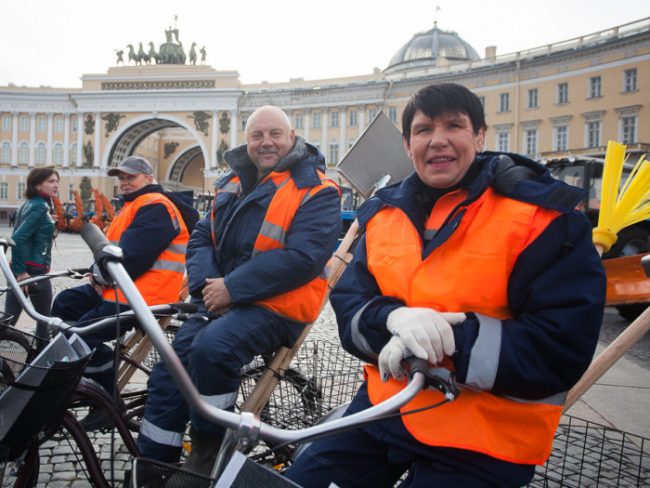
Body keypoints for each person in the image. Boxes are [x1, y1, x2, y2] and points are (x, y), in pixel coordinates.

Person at [286, 83, 607, 487]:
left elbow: (560, 348)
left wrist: (450, 339)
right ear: (407, 144)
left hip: (484, 438)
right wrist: (392, 320)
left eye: (454, 125)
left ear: (479, 136)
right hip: (385, 410)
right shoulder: (383, 215)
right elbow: (351, 306)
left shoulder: (545, 219)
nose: (438, 140)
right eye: (423, 130)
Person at [137, 105, 341, 475]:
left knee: (212, 349)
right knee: (171, 365)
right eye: (257, 135)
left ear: (292, 138)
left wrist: (232, 288)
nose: (266, 143)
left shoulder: (317, 190)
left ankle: (209, 447)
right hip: (223, 303)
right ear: (246, 142)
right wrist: (208, 287)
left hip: (278, 309)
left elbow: (302, 258)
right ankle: (154, 463)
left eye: (275, 134)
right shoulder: (231, 183)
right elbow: (201, 238)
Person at [51, 156, 198, 431]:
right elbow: (110, 252)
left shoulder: (155, 206)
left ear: (148, 176)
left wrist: (98, 277)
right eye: (121, 178)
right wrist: (94, 274)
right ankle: (82, 374)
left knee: (81, 336)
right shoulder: (133, 206)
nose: (124, 182)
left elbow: (132, 259)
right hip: (121, 290)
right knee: (65, 304)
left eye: (131, 176)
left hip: (145, 297)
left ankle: (106, 400)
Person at [4, 166, 60, 339]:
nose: (56, 185)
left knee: (8, 321)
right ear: (37, 185)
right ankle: (44, 361)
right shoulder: (40, 207)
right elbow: (18, 239)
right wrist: (22, 273)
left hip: (21, 269)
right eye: (51, 181)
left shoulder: (30, 204)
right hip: (34, 272)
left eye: (57, 181)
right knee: (44, 322)